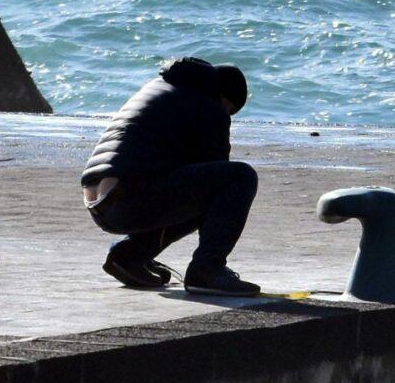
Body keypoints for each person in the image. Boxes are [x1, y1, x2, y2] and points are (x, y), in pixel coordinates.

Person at [80, 57, 261, 295]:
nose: (226, 116)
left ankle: (128, 257)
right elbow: (217, 173)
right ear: (225, 97)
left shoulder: (163, 88)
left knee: (194, 190)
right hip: (131, 195)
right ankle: (207, 270)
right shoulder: (209, 104)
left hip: (100, 200)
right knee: (239, 178)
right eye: (229, 110)